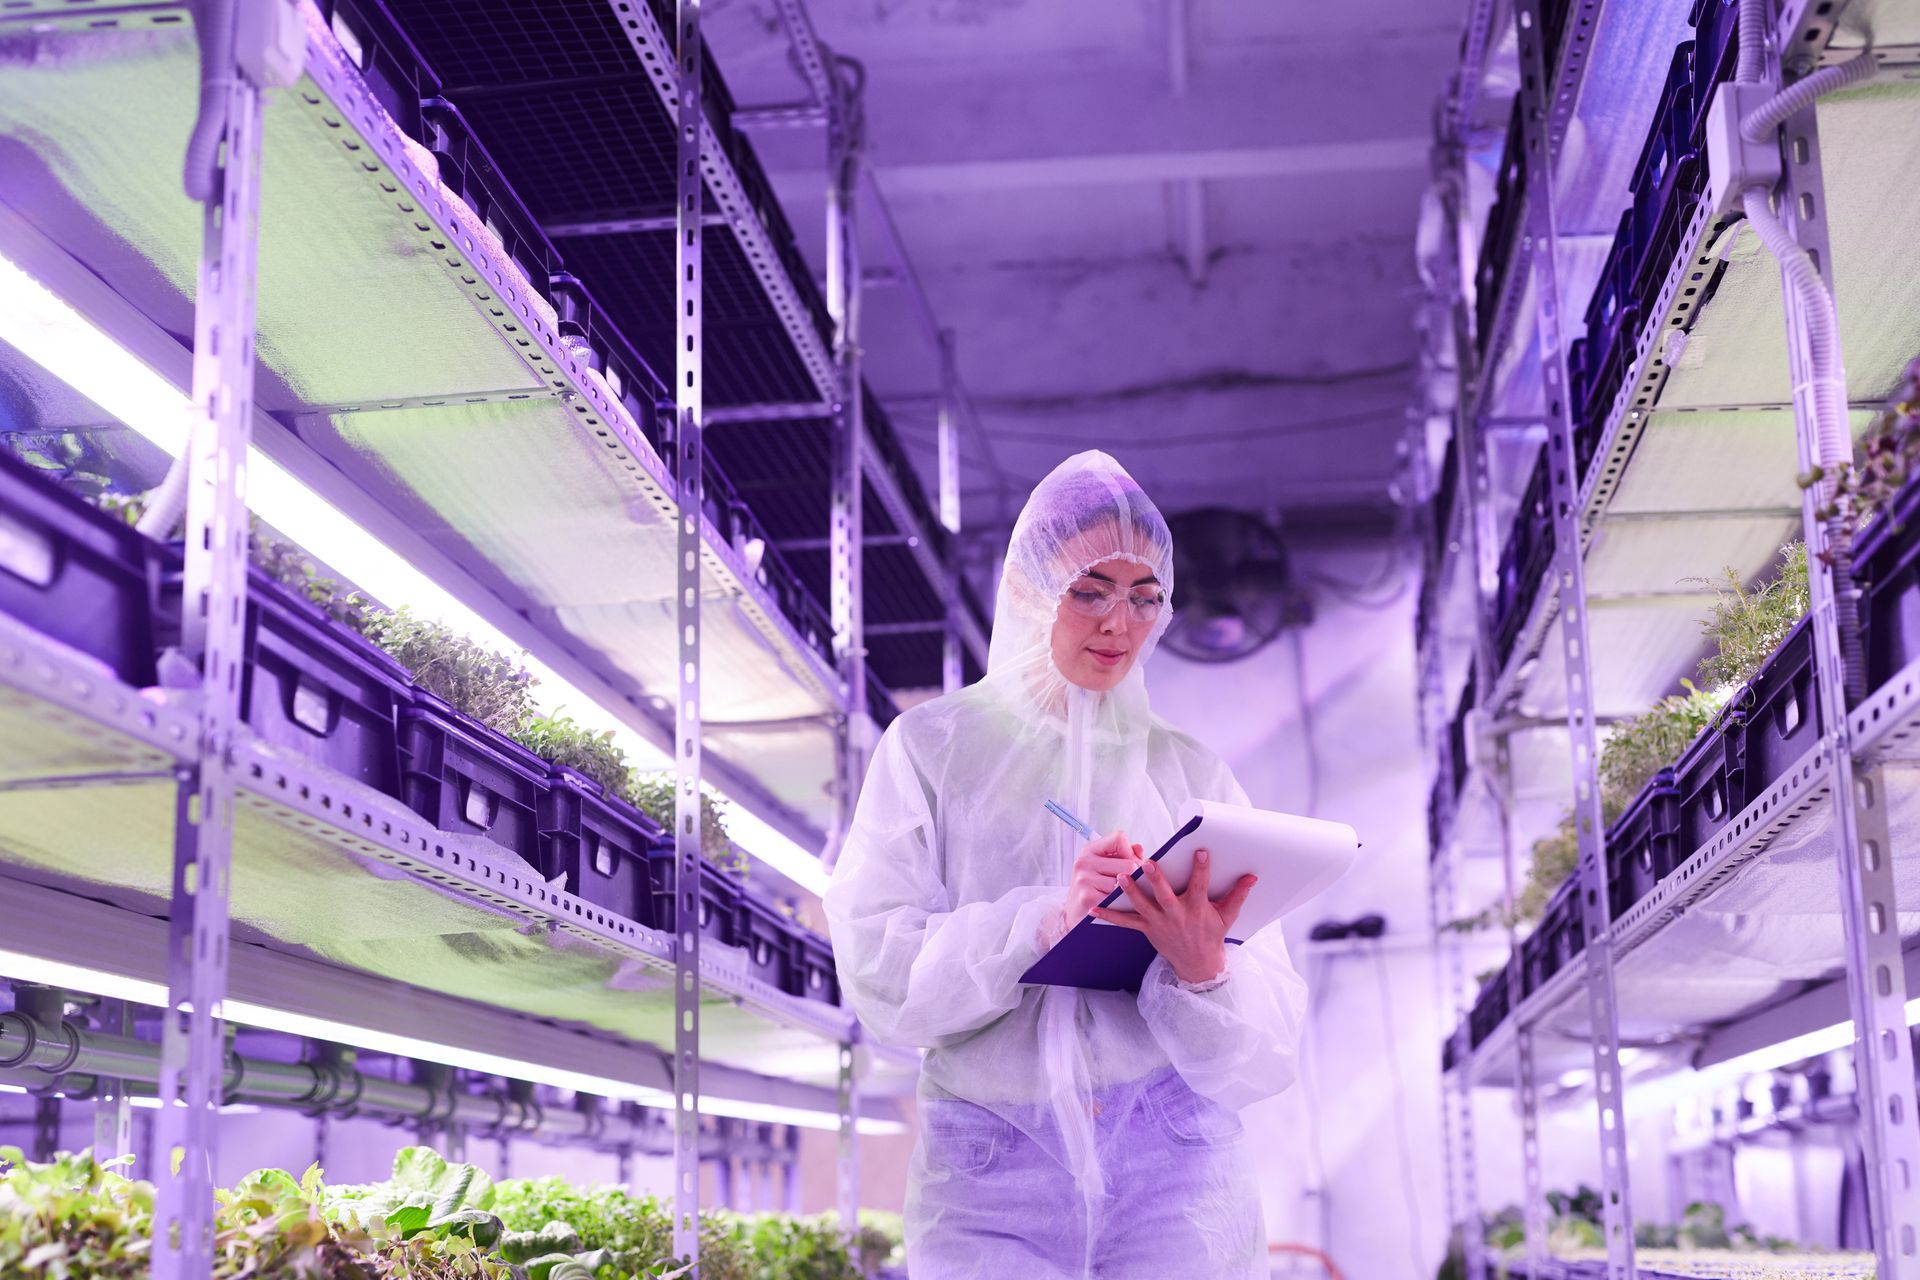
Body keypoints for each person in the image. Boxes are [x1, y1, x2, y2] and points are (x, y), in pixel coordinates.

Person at [824, 451, 1307, 1279]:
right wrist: (1041, 923)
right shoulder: (933, 752)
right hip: (991, 1164)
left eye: (1144, 597)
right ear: (1027, 590)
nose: (1119, 624)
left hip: (1175, 1161)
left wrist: (1203, 974)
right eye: (1089, 591)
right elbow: (880, 973)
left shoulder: (1190, 773)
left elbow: (1267, 1047)